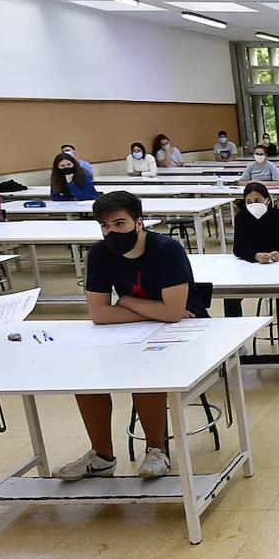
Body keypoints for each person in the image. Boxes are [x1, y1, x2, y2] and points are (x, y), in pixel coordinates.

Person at [53, 191, 207, 481]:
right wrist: (155, 310)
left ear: (139, 223)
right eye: (105, 226)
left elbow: (175, 314)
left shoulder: (167, 250)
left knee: (145, 374)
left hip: (185, 331)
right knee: (86, 377)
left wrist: (126, 302)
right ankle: (101, 457)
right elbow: (98, 314)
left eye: (119, 223)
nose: (112, 231)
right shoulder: (100, 253)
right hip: (128, 332)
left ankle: (157, 450)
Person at [229, 182, 279, 335]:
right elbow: (238, 248)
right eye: (248, 202)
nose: (253, 205)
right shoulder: (241, 217)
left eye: (257, 200)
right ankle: (235, 336)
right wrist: (255, 256)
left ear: (267, 200)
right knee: (230, 295)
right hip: (251, 267)